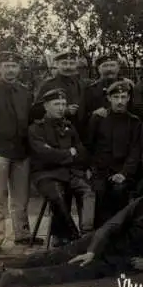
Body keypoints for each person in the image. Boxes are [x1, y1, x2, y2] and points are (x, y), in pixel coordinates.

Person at [0, 181, 143, 287]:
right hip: (100, 241)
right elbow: (111, 226)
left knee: (73, 271)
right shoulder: (142, 204)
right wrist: (93, 250)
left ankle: (18, 276)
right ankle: (4, 267)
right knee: (56, 255)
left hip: (120, 260)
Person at [0, 51, 44, 254]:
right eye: (6, 65)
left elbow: (32, 120)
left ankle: (22, 234)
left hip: (21, 152)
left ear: (19, 69)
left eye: (14, 66)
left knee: (21, 197)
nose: (10, 69)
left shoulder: (25, 93)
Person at [28, 89, 95, 247]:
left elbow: (82, 152)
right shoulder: (36, 129)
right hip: (45, 175)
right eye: (56, 104)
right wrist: (68, 153)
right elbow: (45, 154)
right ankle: (74, 235)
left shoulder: (69, 127)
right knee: (57, 196)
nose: (61, 108)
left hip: (68, 173)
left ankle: (87, 231)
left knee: (88, 192)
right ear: (46, 106)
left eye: (63, 104)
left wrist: (63, 155)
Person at [86, 80, 141, 228]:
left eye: (123, 97)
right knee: (100, 191)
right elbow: (89, 146)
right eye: (116, 97)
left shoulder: (134, 122)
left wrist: (124, 173)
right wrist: (91, 169)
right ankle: (98, 237)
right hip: (100, 170)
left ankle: (118, 234)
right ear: (109, 98)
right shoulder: (98, 118)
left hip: (123, 171)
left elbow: (135, 151)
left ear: (129, 98)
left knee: (119, 190)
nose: (120, 101)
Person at [80, 54, 122, 129]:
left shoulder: (128, 86)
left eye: (112, 65)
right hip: (99, 131)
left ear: (118, 68)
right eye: (105, 66)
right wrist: (94, 114)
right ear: (99, 69)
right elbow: (82, 116)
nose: (109, 69)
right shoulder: (90, 90)